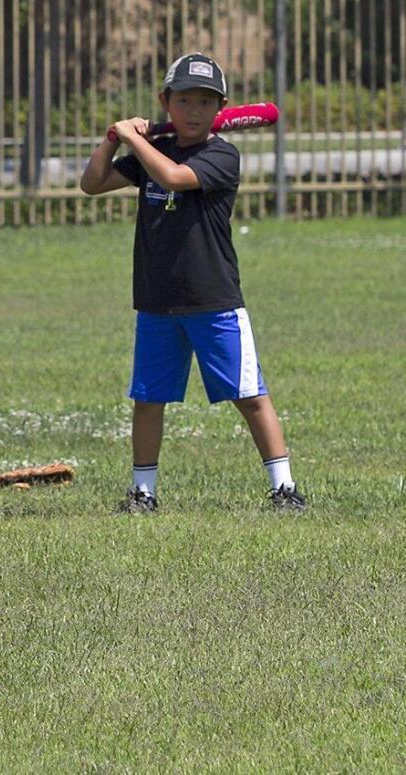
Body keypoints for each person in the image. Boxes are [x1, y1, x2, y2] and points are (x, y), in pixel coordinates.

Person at [79, 53, 307, 514]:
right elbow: (92, 183)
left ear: (220, 108)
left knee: (248, 395)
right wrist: (110, 140)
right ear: (166, 102)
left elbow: (174, 177)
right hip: (158, 300)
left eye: (206, 102)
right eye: (184, 100)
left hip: (213, 299)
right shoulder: (151, 152)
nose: (194, 110)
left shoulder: (222, 154)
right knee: (149, 399)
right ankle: (143, 493)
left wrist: (136, 142)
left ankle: (284, 488)